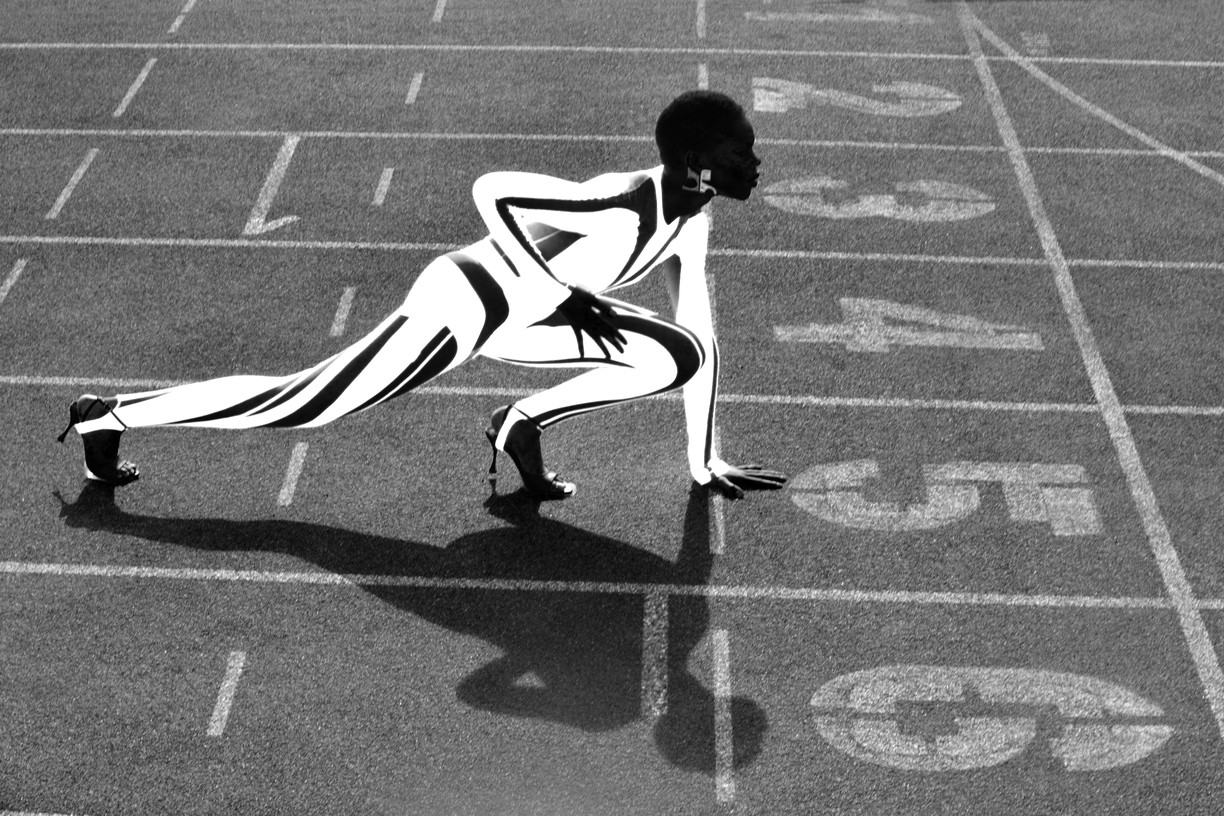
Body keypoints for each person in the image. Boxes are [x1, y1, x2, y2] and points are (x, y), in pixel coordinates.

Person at [58, 90, 788, 501]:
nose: (754, 163)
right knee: (304, 405)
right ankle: (109, 414)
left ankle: (520, 424)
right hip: (466, 303)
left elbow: (699, 331)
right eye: (740, 152)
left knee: (680, 353)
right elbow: (493, 193)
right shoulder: (622, 202)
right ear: (694, 161)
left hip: (526, 322)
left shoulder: (692, 221)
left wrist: (704, 463)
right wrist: (561, 293)